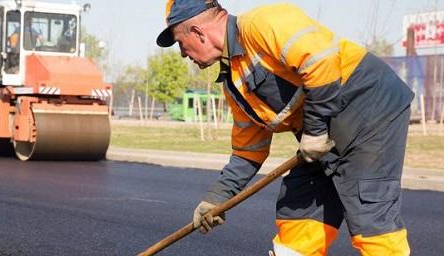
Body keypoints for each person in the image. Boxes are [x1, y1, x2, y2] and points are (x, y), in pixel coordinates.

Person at [156, 1, 414, 255]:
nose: (182, 53)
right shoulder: (234, 82)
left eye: (180, 42)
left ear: (198, 32)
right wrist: (216, 198)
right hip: (322, 137)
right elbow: (249, 150)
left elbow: (320, 63)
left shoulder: (262, 23)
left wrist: (313, 131)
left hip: (369, 112)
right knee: (298, 212)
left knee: (370, 213)